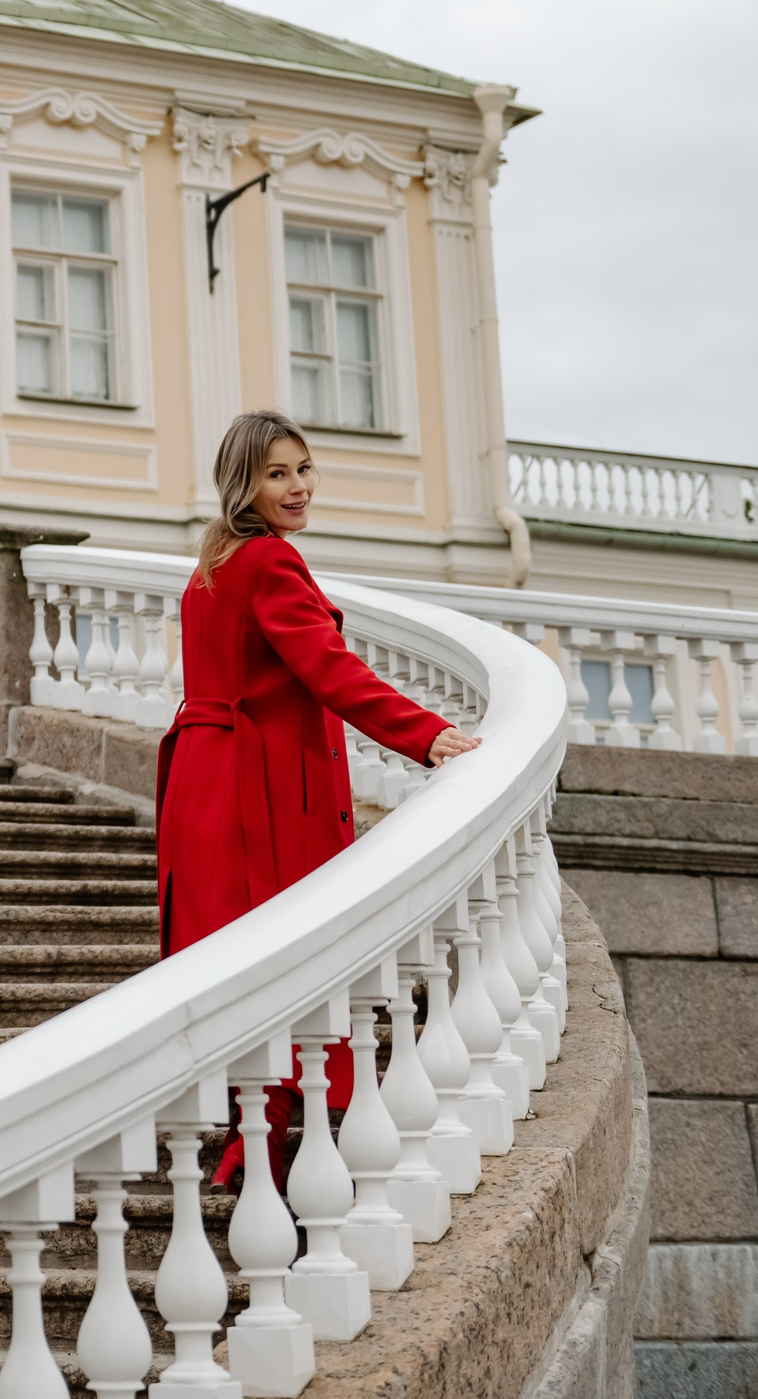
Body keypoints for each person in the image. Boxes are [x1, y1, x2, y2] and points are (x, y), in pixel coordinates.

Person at [155, 410, 479, 1179]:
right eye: (276, 474)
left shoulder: (212, 566)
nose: (297, 487)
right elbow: (331, 668)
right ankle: (265, 1146)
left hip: (204, 785)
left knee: (233, 961)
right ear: (245, 484)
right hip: (254, 789)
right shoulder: (268, 564)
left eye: (303, 469)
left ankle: (247, 1139)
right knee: (282, 959)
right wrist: (426, 733)